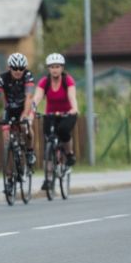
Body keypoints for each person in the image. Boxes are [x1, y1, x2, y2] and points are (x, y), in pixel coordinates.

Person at [0, 52, 37, 194]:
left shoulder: (28, 76)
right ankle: (9, 179)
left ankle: (30, 151)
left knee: (25, 125)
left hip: (26, 107)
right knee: (7, 140)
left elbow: (29, 97)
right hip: (10, 109)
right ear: (9, 67)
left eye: (21, 68)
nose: (18, 71)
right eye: (15, 68)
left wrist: (24, 115)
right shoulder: (1, 78)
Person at [32, 52, 79, 190]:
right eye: (52, 67)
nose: (55, 69)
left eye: (57, 66)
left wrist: (74, 109)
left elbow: (72, 96)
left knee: (63, 131)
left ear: (62, 68)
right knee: (48, 142)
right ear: (48, 68)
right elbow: (36, 98)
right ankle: (48, 178)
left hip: (67, 113)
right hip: (51, 115)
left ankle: (69, 154)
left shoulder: (67, 80)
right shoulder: (44, 82)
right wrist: (32, 109)